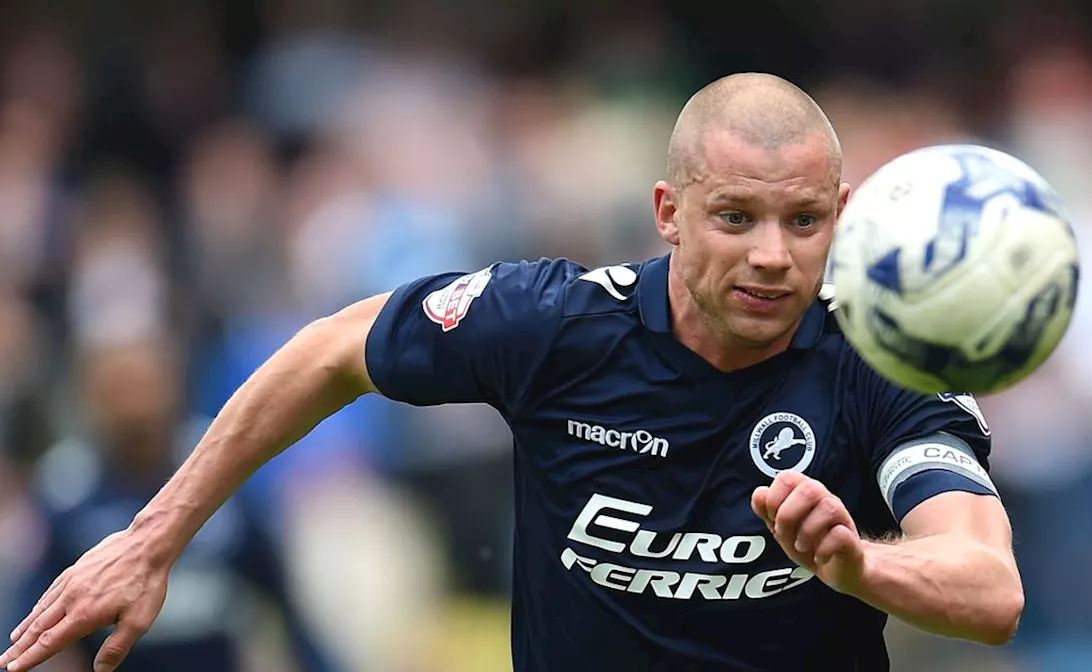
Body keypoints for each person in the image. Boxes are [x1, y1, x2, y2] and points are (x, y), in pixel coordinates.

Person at [1, 72, 1023, 672]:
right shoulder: (556, 324)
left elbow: (988, 589)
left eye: (802, 222)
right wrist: (154, 539)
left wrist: (859, 566)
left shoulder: (882, 361)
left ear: (838, 218)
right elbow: (327, 351)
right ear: (669, 213)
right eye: (735, 217)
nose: (770, 253)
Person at [8, 332, 338, 672]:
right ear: (92, 397)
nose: (135, 404)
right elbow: (29, 624)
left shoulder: (225, 474)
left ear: (173, 383)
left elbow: (285, 604)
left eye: (144, 383)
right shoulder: (65, 490)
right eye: (120, 388)